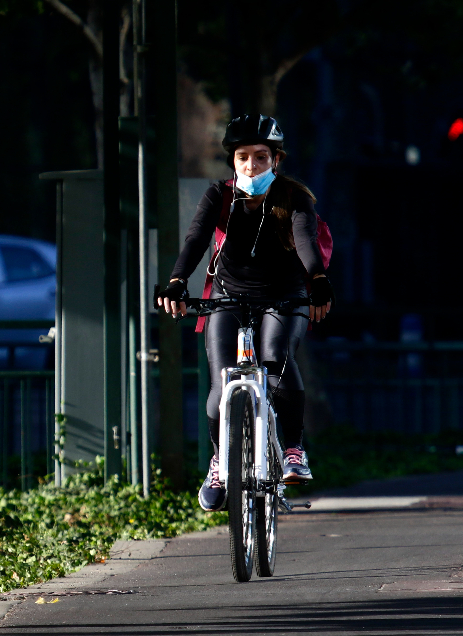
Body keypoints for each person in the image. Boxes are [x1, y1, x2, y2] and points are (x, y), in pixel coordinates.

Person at [155, 114, 333, 511]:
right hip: (228, 295)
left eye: (261, 157)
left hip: (285, 297)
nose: (251, 166)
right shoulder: (218, 196)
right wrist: (177, 281)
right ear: (232, 162)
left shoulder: (294, 197)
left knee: (275, 358)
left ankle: (292, 449)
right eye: (242, 158)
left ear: (276, 159)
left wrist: (318, 281)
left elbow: (305, 241)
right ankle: (220, 462)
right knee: (221, 384)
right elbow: (197, 238)